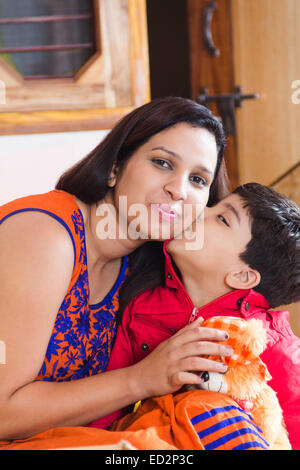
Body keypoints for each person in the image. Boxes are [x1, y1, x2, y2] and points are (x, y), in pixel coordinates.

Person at [0, 97, 234, 441]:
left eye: (198, 180)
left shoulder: (141, 263)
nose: (178, 190)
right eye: (162, 163)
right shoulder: (45, 235)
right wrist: (140, 379)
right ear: (114, 168)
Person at [88, 183, 300, 450]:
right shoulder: (143, 304)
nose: (200, 210)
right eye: (212, 206)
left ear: (242, 276)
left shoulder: (275, 346)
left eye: (222, 219)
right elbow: (110, 403)